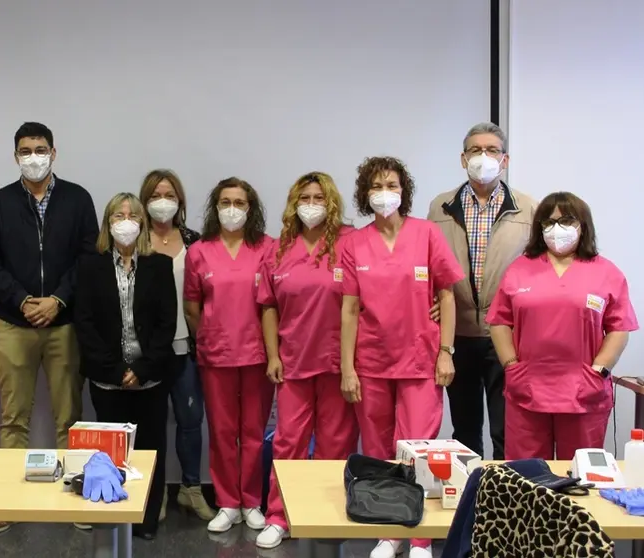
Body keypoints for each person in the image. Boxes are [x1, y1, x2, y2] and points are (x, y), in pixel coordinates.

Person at [0, 122, 98, 534]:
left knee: (70, 416)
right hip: (13, 322)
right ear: (15, 157)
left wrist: (58, 299)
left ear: (54, 153)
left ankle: (75, 499)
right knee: (13, 418)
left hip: (64, 324)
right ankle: (9, 501)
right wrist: (23, 300)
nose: (33, 157)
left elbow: (88, 257)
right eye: (25, 151)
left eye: (40, 149)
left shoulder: (78, 199)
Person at [340, 157, 463, 558]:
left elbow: (446, 295)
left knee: (419, 450)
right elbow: (350, 309)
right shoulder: (354, 243)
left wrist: (446, 351)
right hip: (372, 363)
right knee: (377, 451)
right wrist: (347, 368)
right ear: (365, 194)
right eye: (376, 186)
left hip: (420, 361)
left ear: (403, 191)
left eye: (391, 184)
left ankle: (421, 539)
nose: (384, 192)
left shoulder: (426, 234)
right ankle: (389, 534)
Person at [487, 192, 638, 460]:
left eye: (566, 221)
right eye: (549, 222)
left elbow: (619, 327)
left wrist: (599, 370)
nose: (557, 229)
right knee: (527, 478)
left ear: (583, 226)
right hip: (528, 389)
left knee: (580, 476)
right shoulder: (519, 269)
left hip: (583, 390)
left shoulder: (606, 273)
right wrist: (511, 365)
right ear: (539, 228)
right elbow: (499, 321)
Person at [254, 172, 359, 549]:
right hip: (293, 361)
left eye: (318, 197)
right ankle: (280, 516)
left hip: (337, 364)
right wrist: (272, 355)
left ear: (330, 202)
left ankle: (327, 515)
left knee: (336, 444)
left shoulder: (351, 243)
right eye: (304, 197)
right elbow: (267, 306)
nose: (311, 204)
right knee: (288, 444)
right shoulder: (278, 248)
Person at [428, 122, 536, 459]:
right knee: (464, 432)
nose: (483, 157)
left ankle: (504, 503)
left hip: (507, 335)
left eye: (491, 150)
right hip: (457, 334)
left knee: (507, 429)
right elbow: (427, 265)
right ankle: (468, 503)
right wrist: (432, 301)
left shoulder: (529, 209)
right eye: (475, 150)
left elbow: (538, 270)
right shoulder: (440, 207)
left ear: (505, 160)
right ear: (463, 159)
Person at [73, 192, 176, 540]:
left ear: (143, 225)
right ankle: (116, 516)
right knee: (112, 453)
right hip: (107, 380)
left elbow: (166, 325)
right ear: (108, 224)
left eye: (133, 216)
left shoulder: (159, 266)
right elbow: (84, 323)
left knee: (150, 449)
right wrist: (117, 370)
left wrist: (143, 369)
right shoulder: (90, 265)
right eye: (118, 216)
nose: (126, 222)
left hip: (150, 379)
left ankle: (146, 522)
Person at [183, 177, 274, 534]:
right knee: (221, 432)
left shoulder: (267, 248)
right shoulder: (200, 251)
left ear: (250, 208)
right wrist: (208, 337)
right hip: (215, 355)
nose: (231, 209)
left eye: (239, 202)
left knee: (253, 431)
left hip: (257, 355)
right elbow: (193, 307)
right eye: (225, 202)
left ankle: (251, 501)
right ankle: (227, 502)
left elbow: (274, 303)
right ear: (215, 207)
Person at [139, 169, 212, 521]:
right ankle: (154, 496)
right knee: (150, 425)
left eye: (169, 195)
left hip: (187, 348)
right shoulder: (134, 241)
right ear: (144, 201)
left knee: (189, 419)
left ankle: (191, 489)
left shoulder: (195, 242)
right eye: (155, 195)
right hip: (148, 351)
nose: (162, 202)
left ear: (179, 200)